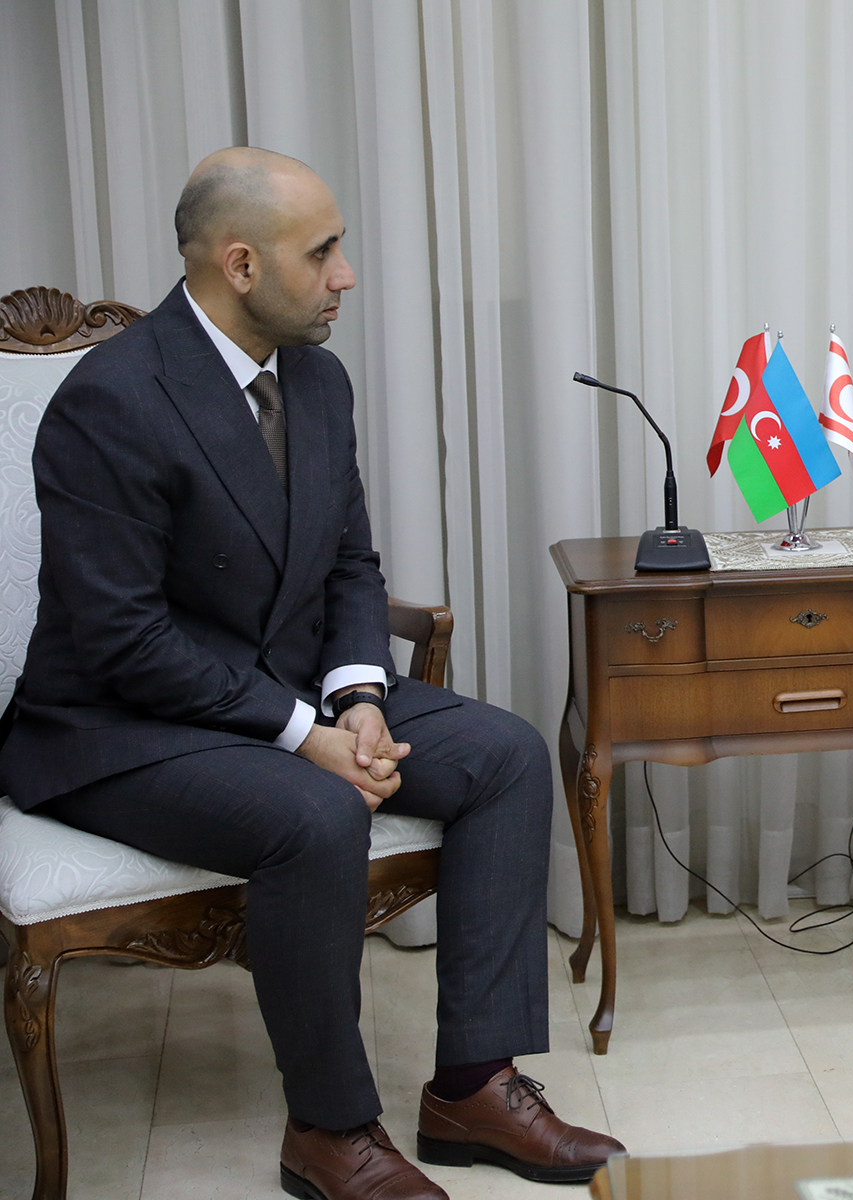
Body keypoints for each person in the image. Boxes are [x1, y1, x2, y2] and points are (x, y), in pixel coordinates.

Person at [0, 147, 622, 1200]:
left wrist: (359, 696)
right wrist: (305, 737)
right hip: (117, 727)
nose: (345, 275)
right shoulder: (113, 399)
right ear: (241, 265)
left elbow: (348, 564)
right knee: (316, 813)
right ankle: (330, 1132)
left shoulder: (316, 380)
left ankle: (473, 1087)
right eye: (322, 252)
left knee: (507, 755)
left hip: (284, 691)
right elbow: (122, 641)